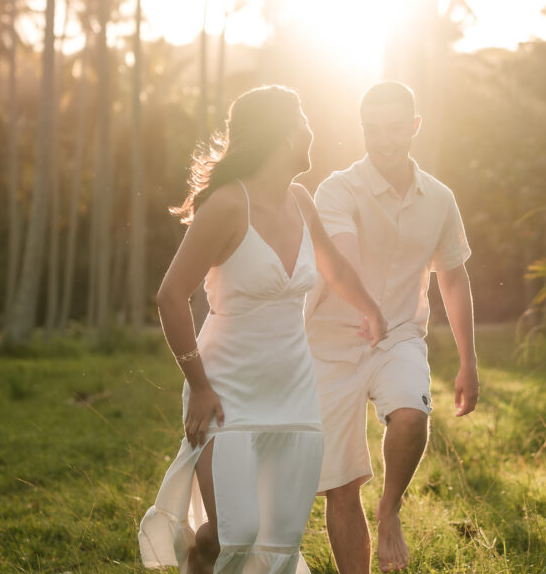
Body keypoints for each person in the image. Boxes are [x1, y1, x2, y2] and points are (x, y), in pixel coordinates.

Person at [138, 85, 388, 574]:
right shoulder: (229, 205)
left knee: (276, 541)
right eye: (302, 120)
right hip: (225, 391)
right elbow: (171, 295)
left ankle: (207, 555)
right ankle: (201, 557)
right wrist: (200, 386)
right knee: (233, 532)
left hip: (294, 394)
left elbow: (332, 266)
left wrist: (371, 310)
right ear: (279, 133)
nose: (310, 131)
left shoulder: (299, 199)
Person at [304, 81, 479, 573]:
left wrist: (468, 362)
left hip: (399, 335)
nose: (384, 141)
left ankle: (390, 509)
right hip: (329, 344)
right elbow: (343, 253)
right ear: (361, 130)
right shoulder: (336, 188)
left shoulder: (440, 199)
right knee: (340, 486)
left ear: (415, 127)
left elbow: (454, 276)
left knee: (410, 414)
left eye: (395, 129)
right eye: (372, 130)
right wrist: (364, 307)